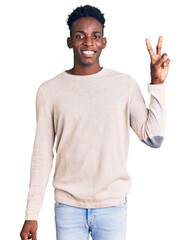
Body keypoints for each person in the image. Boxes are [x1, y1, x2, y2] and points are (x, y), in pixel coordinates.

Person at [20, 4, 170, 240]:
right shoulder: (49, 91)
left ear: (104, 42)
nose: (88, 42)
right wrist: (32, 213)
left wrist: (157, 84)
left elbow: (154, 137)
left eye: (95, 36)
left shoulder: (124, 85)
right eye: (80, 36)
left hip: (112, 208)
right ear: (69, 42)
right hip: (68, 208)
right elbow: (41, 154)